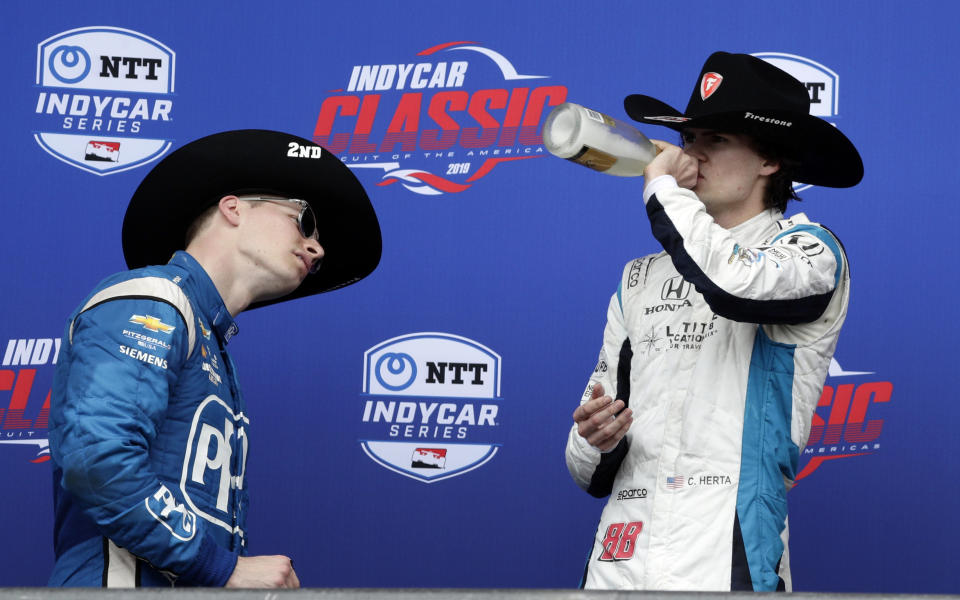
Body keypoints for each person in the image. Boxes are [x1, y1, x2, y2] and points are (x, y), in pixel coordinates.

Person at [564, 52, 863, 591]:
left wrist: (665, 189)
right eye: (688, 138)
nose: (689, 154)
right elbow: (585, 472)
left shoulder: (811, 252)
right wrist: (596, 439)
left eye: (714, 141)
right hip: (619, 559)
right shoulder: (638, 278)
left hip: (727, 549)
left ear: (769, 160)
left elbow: (732, 284)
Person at [48, 129, 382, 587]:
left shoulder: (213, 344)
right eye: (304, 221)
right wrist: (222, 568)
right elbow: (98, 460)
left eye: (319, 249)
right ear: (233, 208)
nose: (316, 248)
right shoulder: (155, 299)